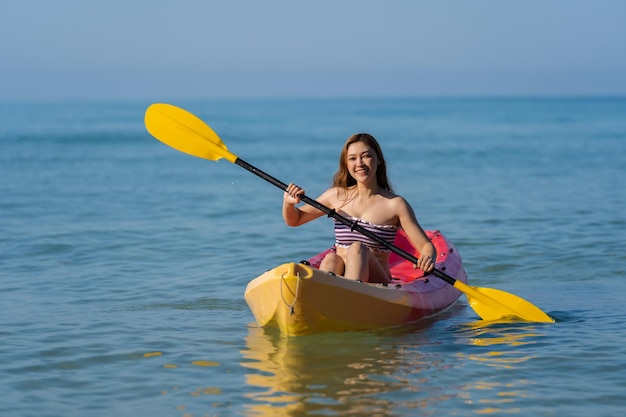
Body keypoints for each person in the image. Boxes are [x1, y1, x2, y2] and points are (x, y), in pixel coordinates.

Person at [282, 133, 436, 284]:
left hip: (377, 284)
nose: (360, 163)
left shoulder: (395, 204)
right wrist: (289, 202)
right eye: (352, 158)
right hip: (342, 278)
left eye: (366, 156)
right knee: (331, 258)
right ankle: (328, 296)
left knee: (358, 248)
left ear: (379, 160)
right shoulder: (336, 196)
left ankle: (347, 296)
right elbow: (296, 219)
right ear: (346, 164)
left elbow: (425, 245)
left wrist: (427, 257)